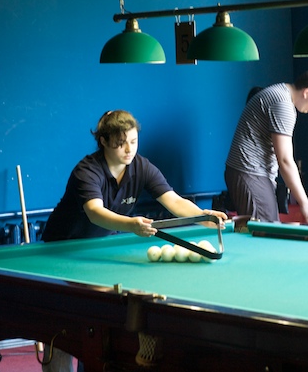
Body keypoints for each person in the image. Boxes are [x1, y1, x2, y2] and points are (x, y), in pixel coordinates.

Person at [40, 109, 228, 372]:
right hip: (62, 252)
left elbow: (173, 200)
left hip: (101, 251)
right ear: (103, 141)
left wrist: (203, 217)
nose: (129, 149)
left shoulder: (141, 167)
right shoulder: (87, 170)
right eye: (121, 143)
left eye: (133, 141)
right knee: (63, 332)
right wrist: (131, 224)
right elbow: (95, 213)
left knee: (97, 328)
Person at [224, 68, 308, 225]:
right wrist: (305, 204)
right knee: (264, 230)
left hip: (246, 172)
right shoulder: (283, 104)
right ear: (307, 92)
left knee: (248, 227)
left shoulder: (280, 92)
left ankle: (236, 232)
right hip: (250, 172)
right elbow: (285, 161)